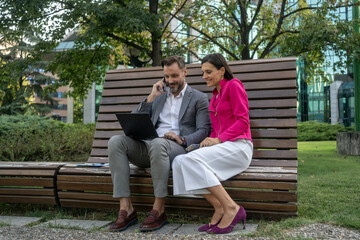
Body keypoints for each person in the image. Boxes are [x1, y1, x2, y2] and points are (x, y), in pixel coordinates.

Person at [108, 55, 211, 232]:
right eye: (167, 76)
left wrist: (182, 139)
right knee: (116, 141)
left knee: (158, 143)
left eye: (175, 76)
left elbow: (204, 130)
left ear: (185, 72)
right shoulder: (159, 96)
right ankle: (126, 208)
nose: (170, 81)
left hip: (176, 148)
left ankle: (159, 209)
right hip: (150, 147)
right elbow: (133, 120)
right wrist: (151, 97)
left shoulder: (198, 98)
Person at [171, 53, 253, 234]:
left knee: (190, 161)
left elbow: (243, 122)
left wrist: (218, 139)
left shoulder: (234, 85)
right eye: (203, 72)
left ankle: (232, 207)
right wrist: (206, 143)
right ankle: (219, 206)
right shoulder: (215, 97)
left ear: (222, 70)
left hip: (240, 147)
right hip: (224, 148)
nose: (204, 76)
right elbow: (215, 131)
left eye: (208, 72)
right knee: (179, 162)